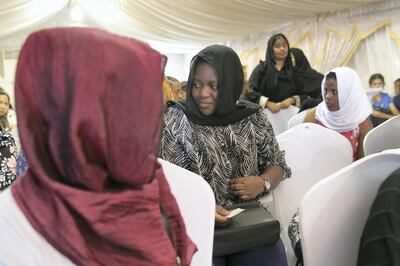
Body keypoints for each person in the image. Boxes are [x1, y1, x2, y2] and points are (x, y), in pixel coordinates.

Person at [0, 28, 196, 265]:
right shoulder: (12, 227)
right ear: (75, 115)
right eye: (117, 104)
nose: (135, 121)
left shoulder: (142, 178)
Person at [161, 44, 291, 266]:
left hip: (249, 224)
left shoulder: (253, 118)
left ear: (230, 85)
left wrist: (262, 182)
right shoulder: (177, 119)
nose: (203, 94)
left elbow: (277, 164)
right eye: (197, 85)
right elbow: (167, 182)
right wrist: (200, 207)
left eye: (214, 86)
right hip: (194, 224)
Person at [304, 66, 373, 161]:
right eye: (325, 90)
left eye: (335, 92)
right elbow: (304, 153)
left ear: (349, 94)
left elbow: (362, 165)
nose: (327, 96)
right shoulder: (314, 116)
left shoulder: (362, 124)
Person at [247, 33, 323, 112]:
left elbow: (303, 94)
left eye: (284, 45)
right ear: (271, 49)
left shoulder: (294, 71)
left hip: (287, 115)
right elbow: (249, 92)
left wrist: (292, 100)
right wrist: (267, 103)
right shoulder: (261, 69)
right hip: (265, 116)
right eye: (277, 46)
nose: (282, 49)